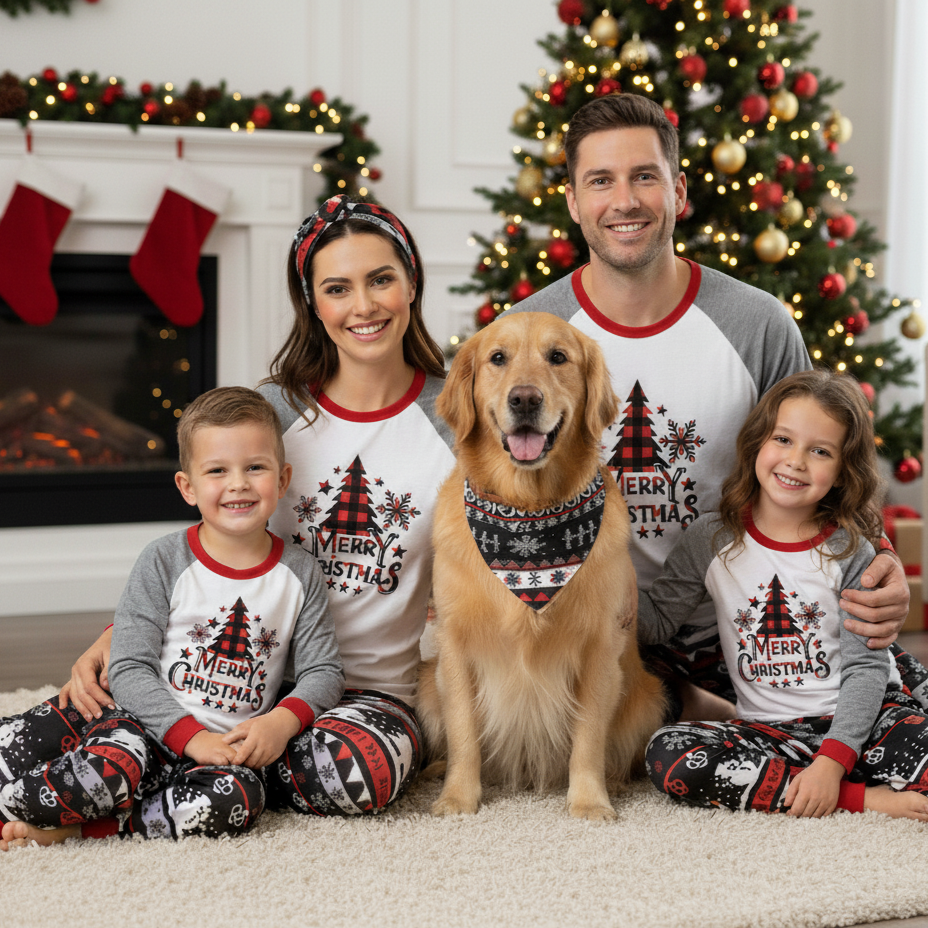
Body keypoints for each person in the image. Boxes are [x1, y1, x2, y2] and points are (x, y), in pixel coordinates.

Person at [505, 93, 913, 710]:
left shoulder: (757, 325)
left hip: (743, 616)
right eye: (600, 180)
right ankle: (682, 707)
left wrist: (879, 559)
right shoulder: (526, 334)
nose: (625, 200)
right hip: (588, 626)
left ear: (678, 191)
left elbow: (828, 460)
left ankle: (692, 703)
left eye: (645, 176)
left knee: (892, 705)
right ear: (572, 201)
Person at [61, 195, 456, 817]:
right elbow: (214, 534)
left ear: (412, 283)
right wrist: (118, 636)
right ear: (313, 303)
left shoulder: (456, 417)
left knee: (353, 775)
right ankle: (203, 771)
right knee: (77, 712)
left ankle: (185, 778)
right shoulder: (275, 409)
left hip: (371, 691)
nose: (364, 306)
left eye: (381, 279)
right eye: (337, 288)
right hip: (243, 680)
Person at [0, 387, 343, 849]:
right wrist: (188, 735)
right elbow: (129, 666)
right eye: (217, 470)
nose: (238, 484)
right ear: (188, 487)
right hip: (136, 729)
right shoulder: (163, 559)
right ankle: (14, 804)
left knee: (242, 799)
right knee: (93, 763)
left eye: (255, 468)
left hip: (220, 755)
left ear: (282, 480)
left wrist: (280, 722)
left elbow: (324, 671)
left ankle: (86, 829)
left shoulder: (300, 572)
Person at [643, 370, 928, 820]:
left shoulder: (851, 551)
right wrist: (603, 590)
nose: (795, 461)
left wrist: (833, 761)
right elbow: (658, 619)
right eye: (783, 439)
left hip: (864, 721)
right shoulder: (710, 539)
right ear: (758, 441)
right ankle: (860, 797)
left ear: (842, 471)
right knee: (668, 754)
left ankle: (831, 778)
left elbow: (865, 668)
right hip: (772, 734)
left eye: (820, 451)